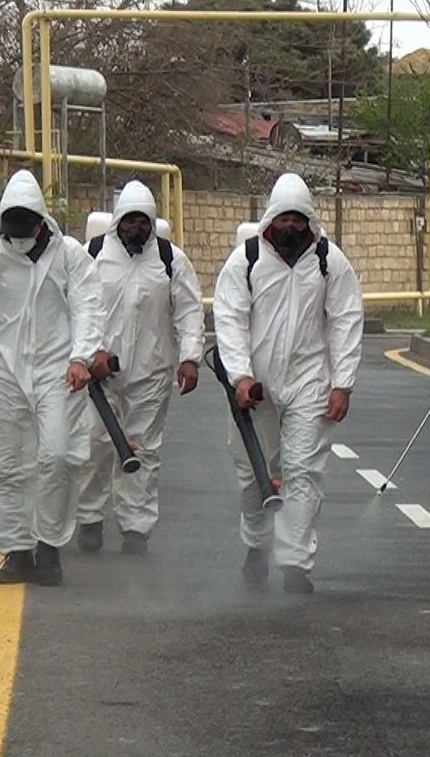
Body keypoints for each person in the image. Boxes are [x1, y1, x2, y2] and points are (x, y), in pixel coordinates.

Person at [0, 169, 106, 587]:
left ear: (40, 220)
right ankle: (17, 552)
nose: (18, 233)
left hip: (58, 368)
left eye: (24, 222)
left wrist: (81, 356)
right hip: (1, 370)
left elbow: (89, 303)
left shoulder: (68, 255)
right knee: (7, 463)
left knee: (56, 454)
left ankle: (49, 548)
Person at [213, 173, 364, 594]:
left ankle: (296, 563)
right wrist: (240, 375)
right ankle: (256, 545)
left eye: (300, 220)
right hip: (255, 384)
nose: (292, 229)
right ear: (271, 218)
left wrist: (343, 383)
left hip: (309, 382)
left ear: (310, 220)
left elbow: (347, 321)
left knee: (303, 472)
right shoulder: (245, 262)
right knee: (252, 473)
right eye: (285, 219)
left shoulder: (329, 263)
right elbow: (229, 320)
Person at [75, 181, 205, 555]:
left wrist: (190, 358)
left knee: (143, 451)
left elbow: (188, 311)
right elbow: (78, 308)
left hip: (151, 373)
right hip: (101, 377)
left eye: (143, 220)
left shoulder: (170, 260)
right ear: (118, 221)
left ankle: (136, 528)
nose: (137, 228)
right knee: (97, 445)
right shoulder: (93, 254)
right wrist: (88, 353)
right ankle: (90, 518)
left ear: (152, 221)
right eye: (129, 220)